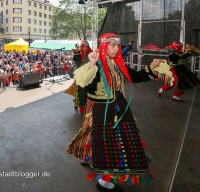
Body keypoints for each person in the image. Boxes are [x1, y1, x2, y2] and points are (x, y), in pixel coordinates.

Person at [67, 33, 164, 192]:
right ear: (104, 46)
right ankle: (103, 181)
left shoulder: (118, 63)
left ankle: (93, 161)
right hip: (101, 110)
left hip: (119, 108)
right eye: (112, 45)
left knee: (115, 142)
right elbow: (85, 85)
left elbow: (136, 76)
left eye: (117, 45)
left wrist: (151, 67)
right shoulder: (96, 63)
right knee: (107, 144)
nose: (116, 48)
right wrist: (91, 64)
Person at [66, 40, 92, 114]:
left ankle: (87, 106)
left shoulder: (90, 54)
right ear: (81, 47)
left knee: (88, 92)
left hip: (89, 76)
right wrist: (77, 52)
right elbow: (75, 59)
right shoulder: (79, 54)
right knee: (81, 92)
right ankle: (81, 106)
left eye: (87, 46)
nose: (86, 48)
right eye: (84, 46)